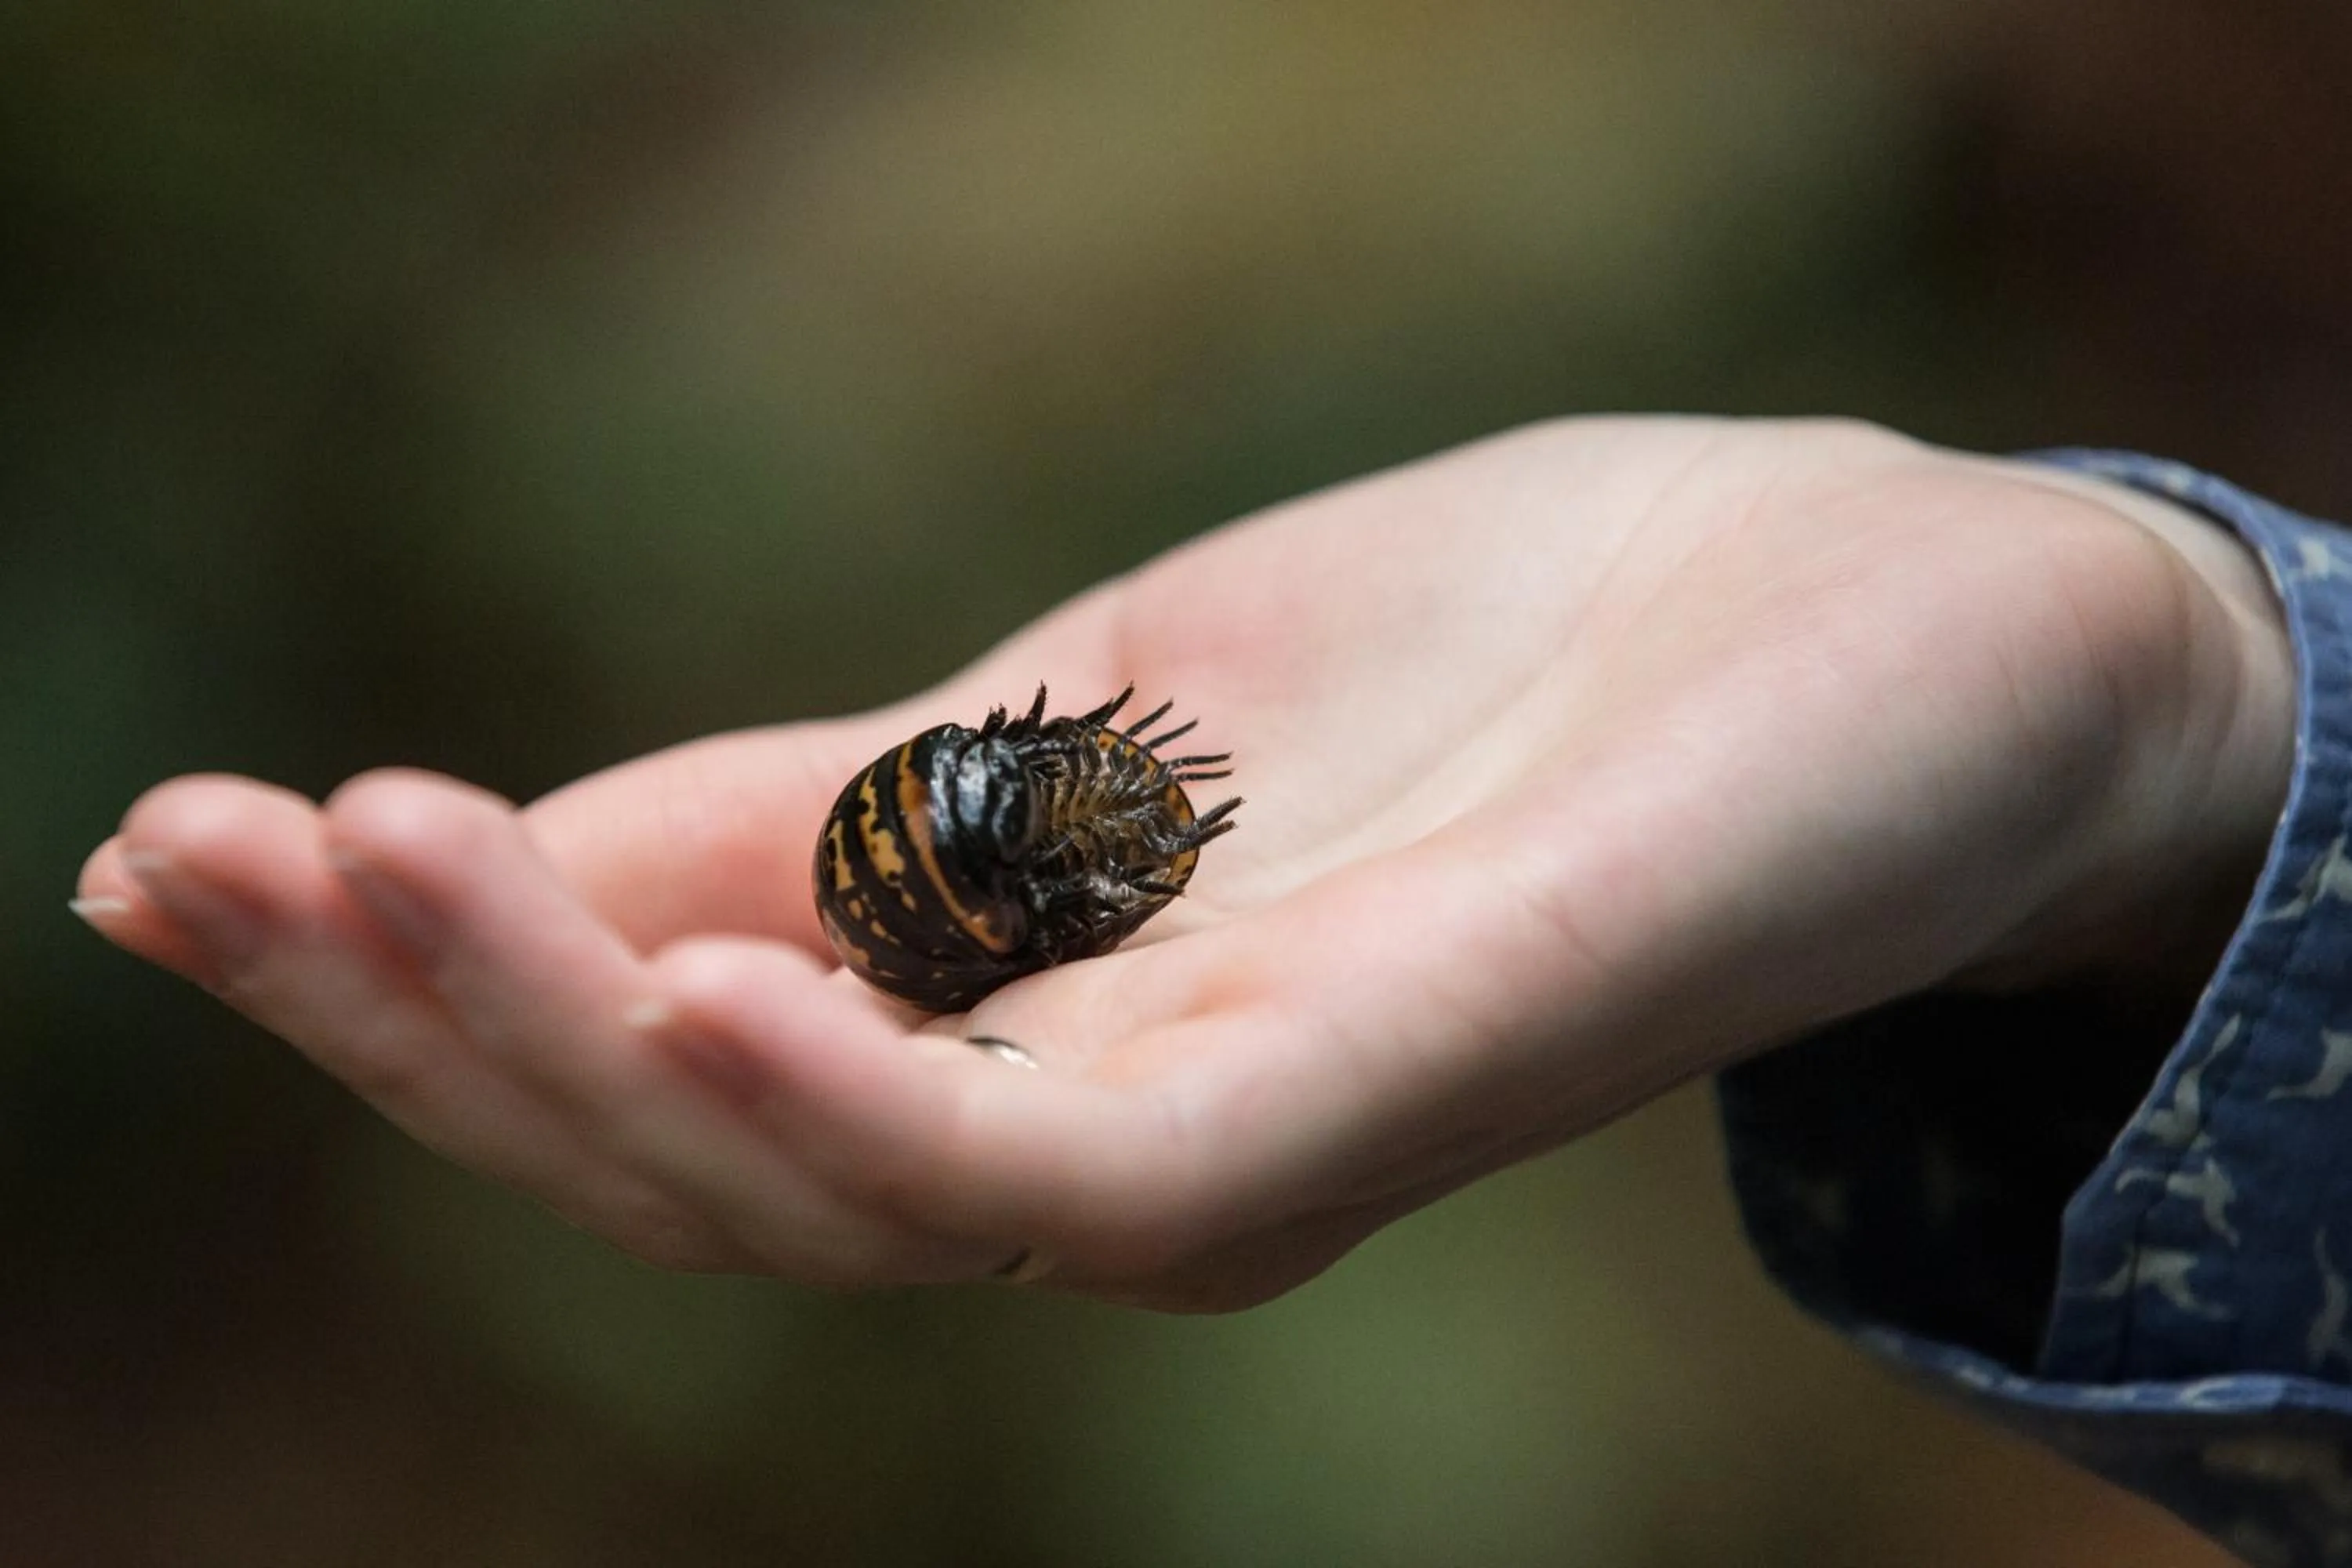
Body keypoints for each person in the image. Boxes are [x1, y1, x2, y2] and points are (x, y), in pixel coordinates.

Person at [71, 417, 2347, 1564]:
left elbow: (1059, 824)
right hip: (952, 853)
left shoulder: (1063, 819)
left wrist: (2177, 732)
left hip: (970, 838)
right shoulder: (1028, 841)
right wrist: (2202, 742)